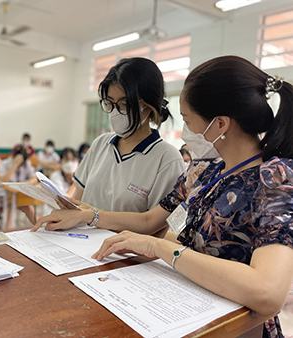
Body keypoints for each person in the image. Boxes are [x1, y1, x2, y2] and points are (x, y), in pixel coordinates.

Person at [91, 56, 293, 337]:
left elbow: (268, 292)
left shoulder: (275, 179)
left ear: (220, 124)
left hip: (236, 329)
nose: (186, 133)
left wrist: (160, 247)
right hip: (189, 313)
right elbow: (178, 234)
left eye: (187, 119)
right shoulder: (210, 173)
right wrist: (145, 241)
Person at [33, 57, 184, 231]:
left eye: (124, 103)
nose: (115, 112)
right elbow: (79, 200)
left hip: (124, 255)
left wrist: (91, 216)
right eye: (109, 103)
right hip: (79, 242)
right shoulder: (101, 144)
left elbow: (151, 225)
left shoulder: (167, 159)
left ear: (148, 106)